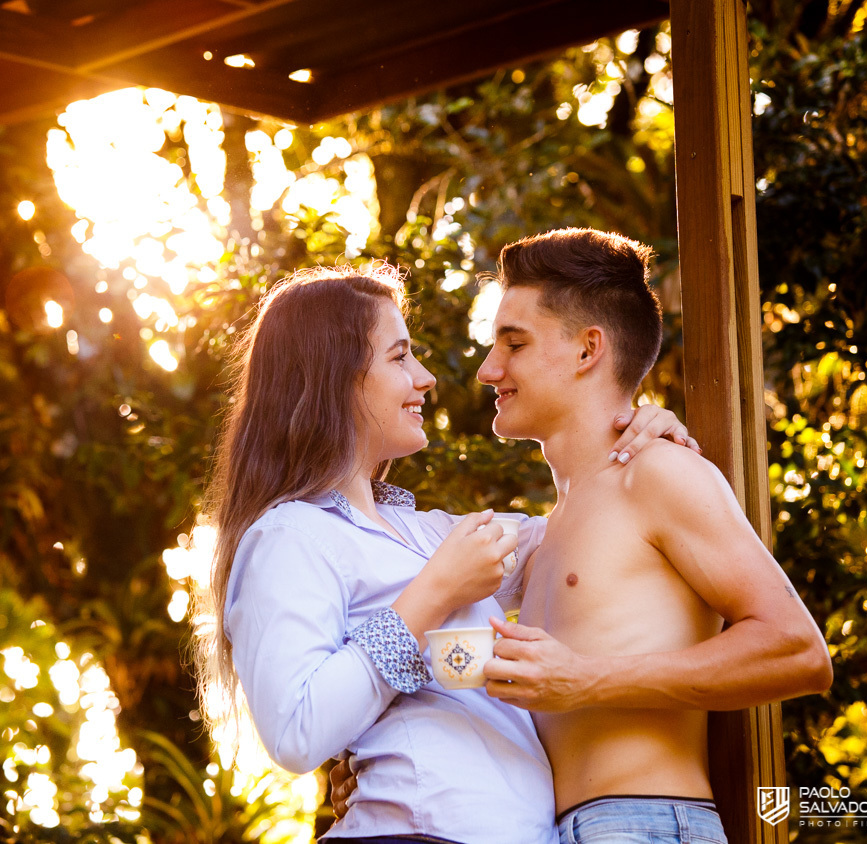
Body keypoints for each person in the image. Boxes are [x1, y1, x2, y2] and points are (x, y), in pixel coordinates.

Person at [194, 264, 697, 844]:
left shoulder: (430, 534)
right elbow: (296, 733)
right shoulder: (290, 537)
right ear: (335, 377)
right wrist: (434, 595)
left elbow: (583, 533)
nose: (427, 377)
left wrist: (635, 430)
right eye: (399, 357)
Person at [473, 228, 833, 843]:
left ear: (589, 350)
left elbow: (797, 651)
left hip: (643, 823)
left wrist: (587, 679)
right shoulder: (544, 532)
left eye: (515, 343)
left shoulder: (659, 471)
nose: (488, 370)